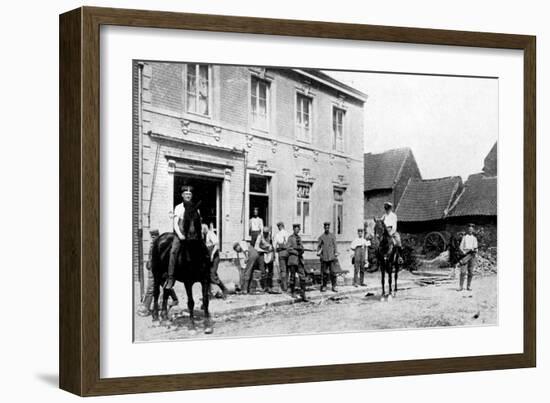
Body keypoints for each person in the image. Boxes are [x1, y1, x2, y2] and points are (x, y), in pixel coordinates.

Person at [165, 185, 204, 290]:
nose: (188, 196)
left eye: (190, 194)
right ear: (182, 195)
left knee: (203, 251)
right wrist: (180, 235)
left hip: (193, 236)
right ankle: (171, 277)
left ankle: (204, 273)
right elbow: (175, 224)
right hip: (181, 234)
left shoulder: (196, 208)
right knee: (173, 251)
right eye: (186, 194)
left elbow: (198, 224)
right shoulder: (179, 207)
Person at [205, 223, 228, 298]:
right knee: (206, 275)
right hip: (208, 258)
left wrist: (212, 255)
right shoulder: (204, 236)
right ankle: (209, 293)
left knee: (212, 274)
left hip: (215, 257)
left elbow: (216, 244)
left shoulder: (210, 234)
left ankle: (224, 289)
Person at [255, 226, 280, 293]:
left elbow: (274, 246)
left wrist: (274, 254)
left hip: (270, 253)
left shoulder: (271, 236)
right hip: (262, 253)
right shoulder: (260, 236)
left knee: (270, 271)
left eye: (267, 233)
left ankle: (269, 286)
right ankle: (264, 286)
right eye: (264, 233)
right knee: (263, 271)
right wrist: (263, 250)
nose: (265, 234)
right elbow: (256, 247)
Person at [287, 223, 308, 301]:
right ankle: (292, 292)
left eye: (298, 229)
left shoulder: (299, 238)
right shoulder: (290, 238)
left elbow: (301, 247)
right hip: (293, 260)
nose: (297, 230)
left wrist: (301, 250)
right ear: (293, 229)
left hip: (299, 260)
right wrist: (296, 252)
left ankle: (303, 294)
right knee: (292, 277)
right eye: (295, 228)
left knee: (302, 276)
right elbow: (288, 248)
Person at [317, 222, 339, 292]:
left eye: (328, 227)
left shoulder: (332, 236)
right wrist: (319, 254)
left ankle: (334, 286)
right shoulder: (321, 237)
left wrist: (336, 253)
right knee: (324, 273)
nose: (327, 228)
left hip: (331, 257)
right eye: (325, 227)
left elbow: (335, 245)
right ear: (324, 228)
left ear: (329, 228)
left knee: (333, 272)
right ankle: (324, 286)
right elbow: (319, 247)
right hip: (324, 258)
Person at [458, 224, 478, 291]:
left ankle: (468, 286)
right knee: (463, 272)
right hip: (465, 256)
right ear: (467, 230)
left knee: (471, 272)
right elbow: (461, 247)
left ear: (473, 231)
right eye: (469, 229)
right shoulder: (464, 237)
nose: (470, 231)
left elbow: (476, 248)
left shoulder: (474, 238)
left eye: (471, 230)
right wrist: (463, 252)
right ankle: (461, 287)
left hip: (472, 256)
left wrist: (475, 250)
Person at [274, 221, 290, 292]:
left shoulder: (277, 234)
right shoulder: (287, 233)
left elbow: (274, 246)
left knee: (283, 270)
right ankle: (287, 284)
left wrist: (275, 254)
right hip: (288, 253)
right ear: (283, 226)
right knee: (287, 270)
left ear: (279, 227)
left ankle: (284, 286)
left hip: (281, 253)